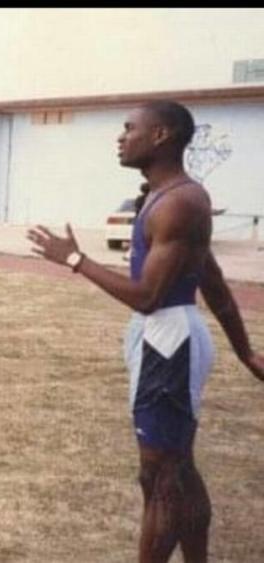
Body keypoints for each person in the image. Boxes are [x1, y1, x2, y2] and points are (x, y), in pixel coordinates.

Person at [27, 100, 264, 563]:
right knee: (172, 470)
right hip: (160, 338)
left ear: (161, 136)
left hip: (168, 341)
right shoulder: (164, 198)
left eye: (129, 128)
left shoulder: (181, 201)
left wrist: (75, 260)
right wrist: (245, 351)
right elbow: (211, 278)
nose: (120, 136)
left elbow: (148, 295)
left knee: (160, 477)